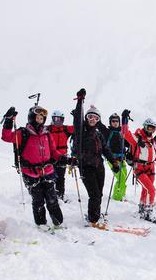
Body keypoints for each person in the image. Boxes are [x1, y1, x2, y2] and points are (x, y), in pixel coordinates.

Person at [2, 105, 66, 229]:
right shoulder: (23, 133)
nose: (40, 119)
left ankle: (58, 222)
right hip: (30, 173)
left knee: (52, 198)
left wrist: (65, 159)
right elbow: (6, 137)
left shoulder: (47, 134)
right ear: (32, 117)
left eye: (42, 117)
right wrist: (9, 120)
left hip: (47, 171)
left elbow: (54, 152)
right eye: (38, 116)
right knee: (38, 200)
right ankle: (41, 224)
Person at [71, 95, 117, 228]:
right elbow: (78, 119)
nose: (92, 119)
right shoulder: (81, 131)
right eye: (90, 117)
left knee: (99, 194)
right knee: (94, 195)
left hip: (99, 166)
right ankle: (92, 219)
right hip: (86, 167)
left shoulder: (98, 134)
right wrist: (80, 100)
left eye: (96, 118)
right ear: (86, 118)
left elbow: (106, 149)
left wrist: (114, 162)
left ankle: (95, 214)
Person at [121, 110, 156, 223]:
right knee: (152, 190)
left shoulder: (153, 141)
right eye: (149, 128)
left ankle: (143, 207)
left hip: (151, 169)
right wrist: (124, 120)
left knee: (146, 190)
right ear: (145, 127)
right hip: (139, 168)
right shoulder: (137, 138)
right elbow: (125, 134)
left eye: (153, 128)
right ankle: (149, 212)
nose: (151, 130)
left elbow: (155, 155)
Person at [46, 110, 75, 202]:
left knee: (60, 177)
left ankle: (60, 195)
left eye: (60, 119)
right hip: (50, 157)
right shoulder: (48, 129)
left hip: (62, 157)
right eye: (55, 119)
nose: (58, 121)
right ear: (52, 119)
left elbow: (77, 127)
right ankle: (50, 195)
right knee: (50, 176)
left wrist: (76, 116)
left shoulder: (65, 129)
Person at [104, 113, 131, 201]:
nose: (115, 123)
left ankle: (122, 195)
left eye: (117, 121)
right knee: (121, 178)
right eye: (113, 121)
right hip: (112, 160)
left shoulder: (122, 133)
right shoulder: (107, 132)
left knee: (124, 178)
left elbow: (129, 142)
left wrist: (125, 118)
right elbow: (99, 125)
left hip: (122, 159)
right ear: (110, 122)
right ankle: (116, 198)